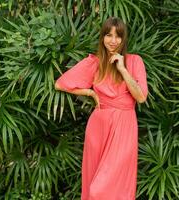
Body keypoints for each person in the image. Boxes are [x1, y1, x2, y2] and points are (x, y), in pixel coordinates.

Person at [55, 17, 148, 200]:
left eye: (118, 36)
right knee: (92, 185)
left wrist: (122, 69)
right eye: (108, 35)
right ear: (102, 37)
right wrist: (89, 93)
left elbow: (141, 97)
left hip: (124, 128)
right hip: (98, 127)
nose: (113, 41)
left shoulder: (135, 62)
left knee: (102, 190)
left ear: (124, 39)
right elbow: (60, 84)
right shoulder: (95, 63)